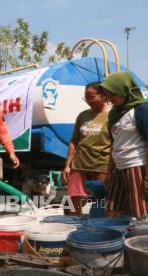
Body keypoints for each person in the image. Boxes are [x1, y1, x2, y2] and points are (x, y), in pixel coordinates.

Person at [101, 72, 148, 218]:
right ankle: (124, 237)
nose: (109, 99)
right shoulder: (114, 113)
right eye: (107, 95)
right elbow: (114, 144)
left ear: (124, 91)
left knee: (141, 214)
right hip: (119, 167)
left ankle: (139, 240)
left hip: (136, 166)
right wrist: (109, 172)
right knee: (110, 211)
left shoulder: (141, 110)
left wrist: (147, 178)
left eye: (112, 94)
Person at [62, 82, 111, 215]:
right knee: (73, 202)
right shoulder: (83, 115)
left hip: (102, 165)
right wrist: (67, 166)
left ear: (103, 95)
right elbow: (74, 141)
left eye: (91, 97)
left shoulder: (112, 116)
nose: (88, 101)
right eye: (86, 98)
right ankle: (74, 227)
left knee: (102, 202)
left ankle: (101, 231)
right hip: (79, 164)